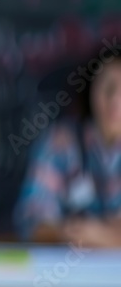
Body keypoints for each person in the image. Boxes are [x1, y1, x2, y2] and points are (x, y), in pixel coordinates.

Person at [14, 52, 121, 247]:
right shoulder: (61, 142)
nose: (115, 99)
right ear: (91, 89)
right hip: (67, 273)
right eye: (108, 86)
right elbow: (32, 221)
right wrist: (72, 232)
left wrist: (101, 235)